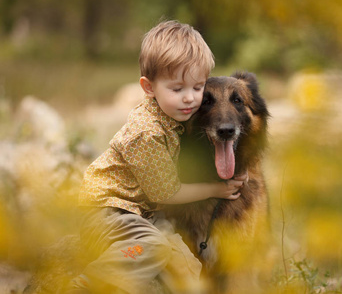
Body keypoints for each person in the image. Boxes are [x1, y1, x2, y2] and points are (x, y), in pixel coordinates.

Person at [68, 20, 247, 293]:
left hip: (139, 211)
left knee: (183, 258)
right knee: (153, 247)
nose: (189, 98)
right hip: (108, 211)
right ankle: (86, 285)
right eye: (177, 89)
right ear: (148, 87)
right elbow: (166, 193)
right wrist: (217, 189)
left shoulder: (171, 114)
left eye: (198, 87)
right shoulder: (147, 133)